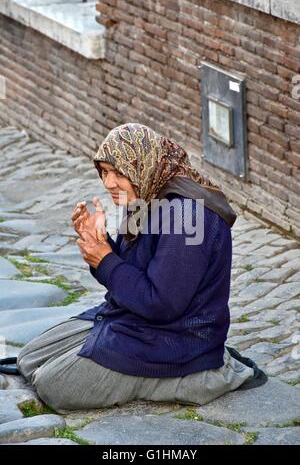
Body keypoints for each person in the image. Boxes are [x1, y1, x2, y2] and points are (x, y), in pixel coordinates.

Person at [16, 123, 266, 413]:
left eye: (119, 173)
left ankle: (188, 379)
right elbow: (126, 273)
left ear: (143, 165)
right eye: (105, 172)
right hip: (135, 321)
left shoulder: (187, 217)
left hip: (175, 340)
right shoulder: (143, 198)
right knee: (29, 358)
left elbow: (161, 303)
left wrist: (105, 259)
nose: (108, 183)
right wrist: (100, 244)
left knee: (53, 384)